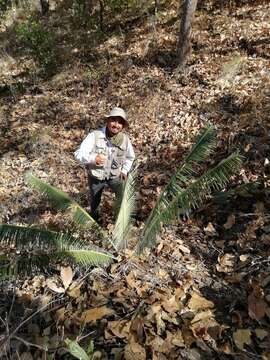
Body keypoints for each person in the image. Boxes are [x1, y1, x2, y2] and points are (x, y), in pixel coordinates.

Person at [74, 107, 135, 222]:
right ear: (107, 121)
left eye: (120, 122)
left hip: (115, 175)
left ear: (123, 126)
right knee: (95, 201)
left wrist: (125, 170)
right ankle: (95, 221)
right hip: (96, 176)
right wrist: (92, 159)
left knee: (123, 197)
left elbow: (130, 157)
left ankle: (120, 221)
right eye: (113, 120)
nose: (116, 125)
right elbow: (78, 154)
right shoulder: (95, 136)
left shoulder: (125, 140)